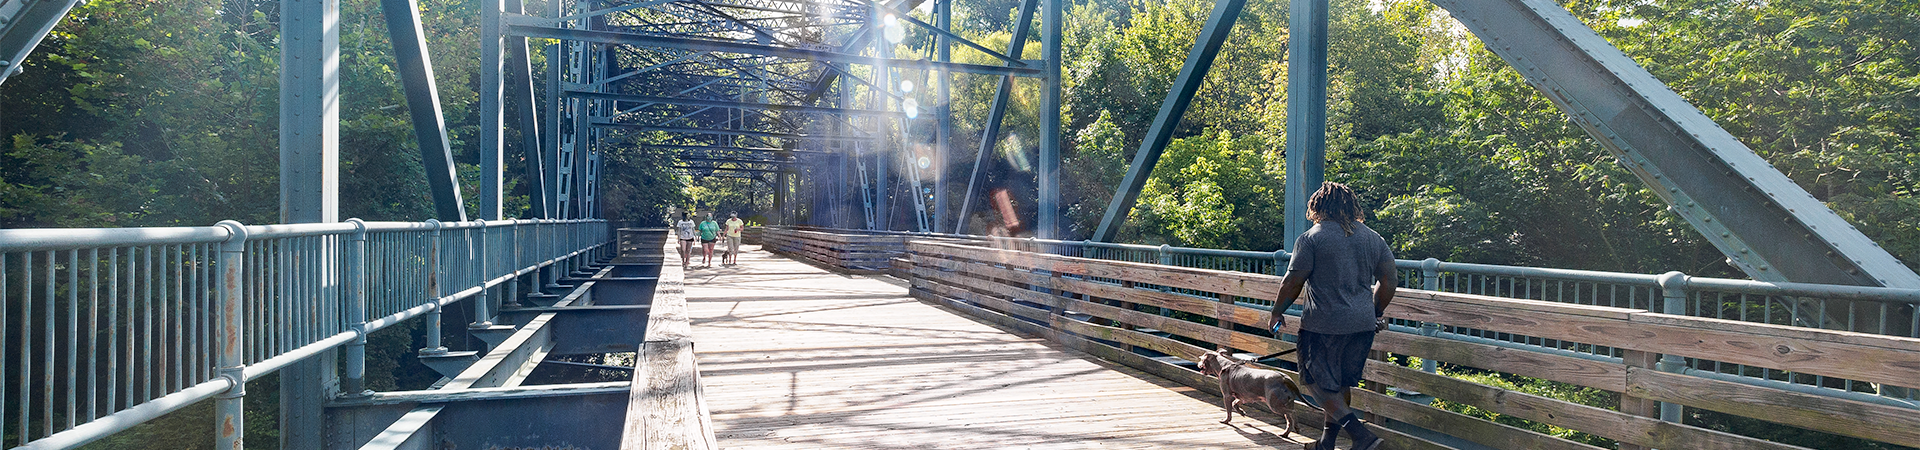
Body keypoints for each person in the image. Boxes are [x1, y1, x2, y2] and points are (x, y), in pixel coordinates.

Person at [1267, 182, 1396, 450]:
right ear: (1352, 206)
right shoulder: (1374, 238)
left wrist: (1277, 311)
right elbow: (1389, 281)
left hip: (1322, 325)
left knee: (1316, 383)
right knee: (1339, 384)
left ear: (1317, 206)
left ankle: (1363, 437)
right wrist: (1374, 311)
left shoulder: (1312, 238)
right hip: (1361, 326)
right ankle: (1326, 444)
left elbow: (1293, 280)